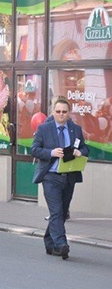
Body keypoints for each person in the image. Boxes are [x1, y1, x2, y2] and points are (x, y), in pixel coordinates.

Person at [31, 97, 88, 260]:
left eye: (64, 112)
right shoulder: (44, 129)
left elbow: (85, 148)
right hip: (50, 177)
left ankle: (49, 243)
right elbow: (34, 150)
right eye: (58, 112)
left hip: (69, 176)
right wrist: (51, 152)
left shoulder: (75, 129)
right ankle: (62, 244)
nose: (61, 114)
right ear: (53, 113)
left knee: (61, 213)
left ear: (69, 113)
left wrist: (80, 152)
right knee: (56, 212)